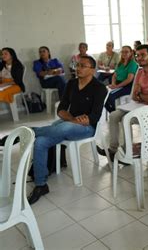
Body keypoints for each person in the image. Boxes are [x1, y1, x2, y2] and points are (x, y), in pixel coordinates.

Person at [27, 56, 107, 204]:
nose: (78, 68)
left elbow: (95, 116)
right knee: (40, 142)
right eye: (77, 65)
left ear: (92, 70)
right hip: (71, 121)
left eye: (83, 66)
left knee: (61, 127)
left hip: (87, 127)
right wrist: (72, 119)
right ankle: (41, 184)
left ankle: (28, 132)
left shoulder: (99, 87)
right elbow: (61, 108)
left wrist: (80, 121)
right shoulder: (71, 83)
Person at [101, 45, 148, 161]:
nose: (139, 58)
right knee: (113, 115)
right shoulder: (140, 73)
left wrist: (140, 95)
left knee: (126, 119)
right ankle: (113, 150)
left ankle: (128, 152)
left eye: (143, 55)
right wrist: (144, 95)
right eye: (137, 55)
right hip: (138, 107)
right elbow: (134, 95)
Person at [104, 46, 139, 112]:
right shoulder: (120, 63)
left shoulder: (132, 64)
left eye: (126, 52)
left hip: (126, 86)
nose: (124, 53)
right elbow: (114, 75)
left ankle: (118, 113)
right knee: (101, 93)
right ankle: (113, 112)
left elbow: (129, 79)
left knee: (110, 96)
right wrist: (113, 84)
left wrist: (116, 86)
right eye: (122, 52)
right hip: (117, 84)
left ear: (131, 53)